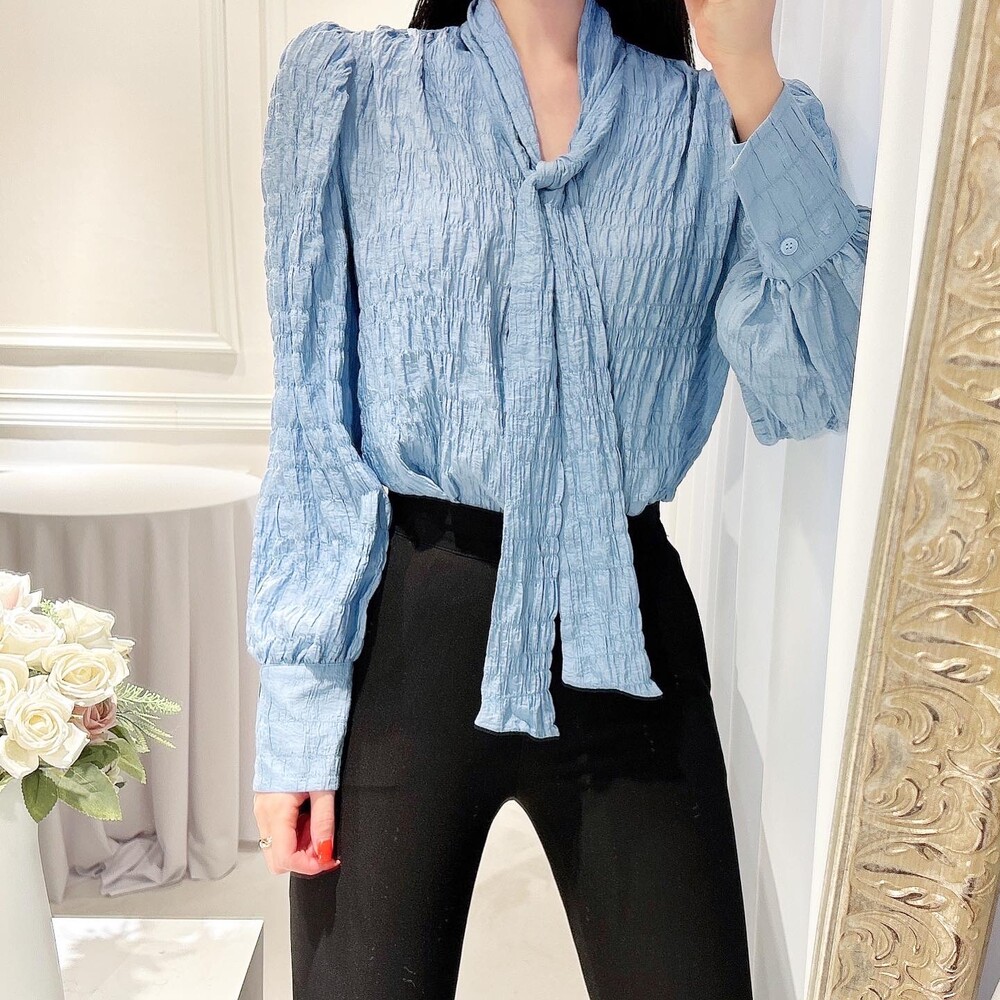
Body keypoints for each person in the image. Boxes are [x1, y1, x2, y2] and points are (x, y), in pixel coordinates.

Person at [248, 0, 870, 995]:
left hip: (626, 631)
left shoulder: (701, 125)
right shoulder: (356, 93)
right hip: (406, 636)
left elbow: (830, 373)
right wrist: (296, 712)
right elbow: (311, 427)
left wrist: (749, 71)